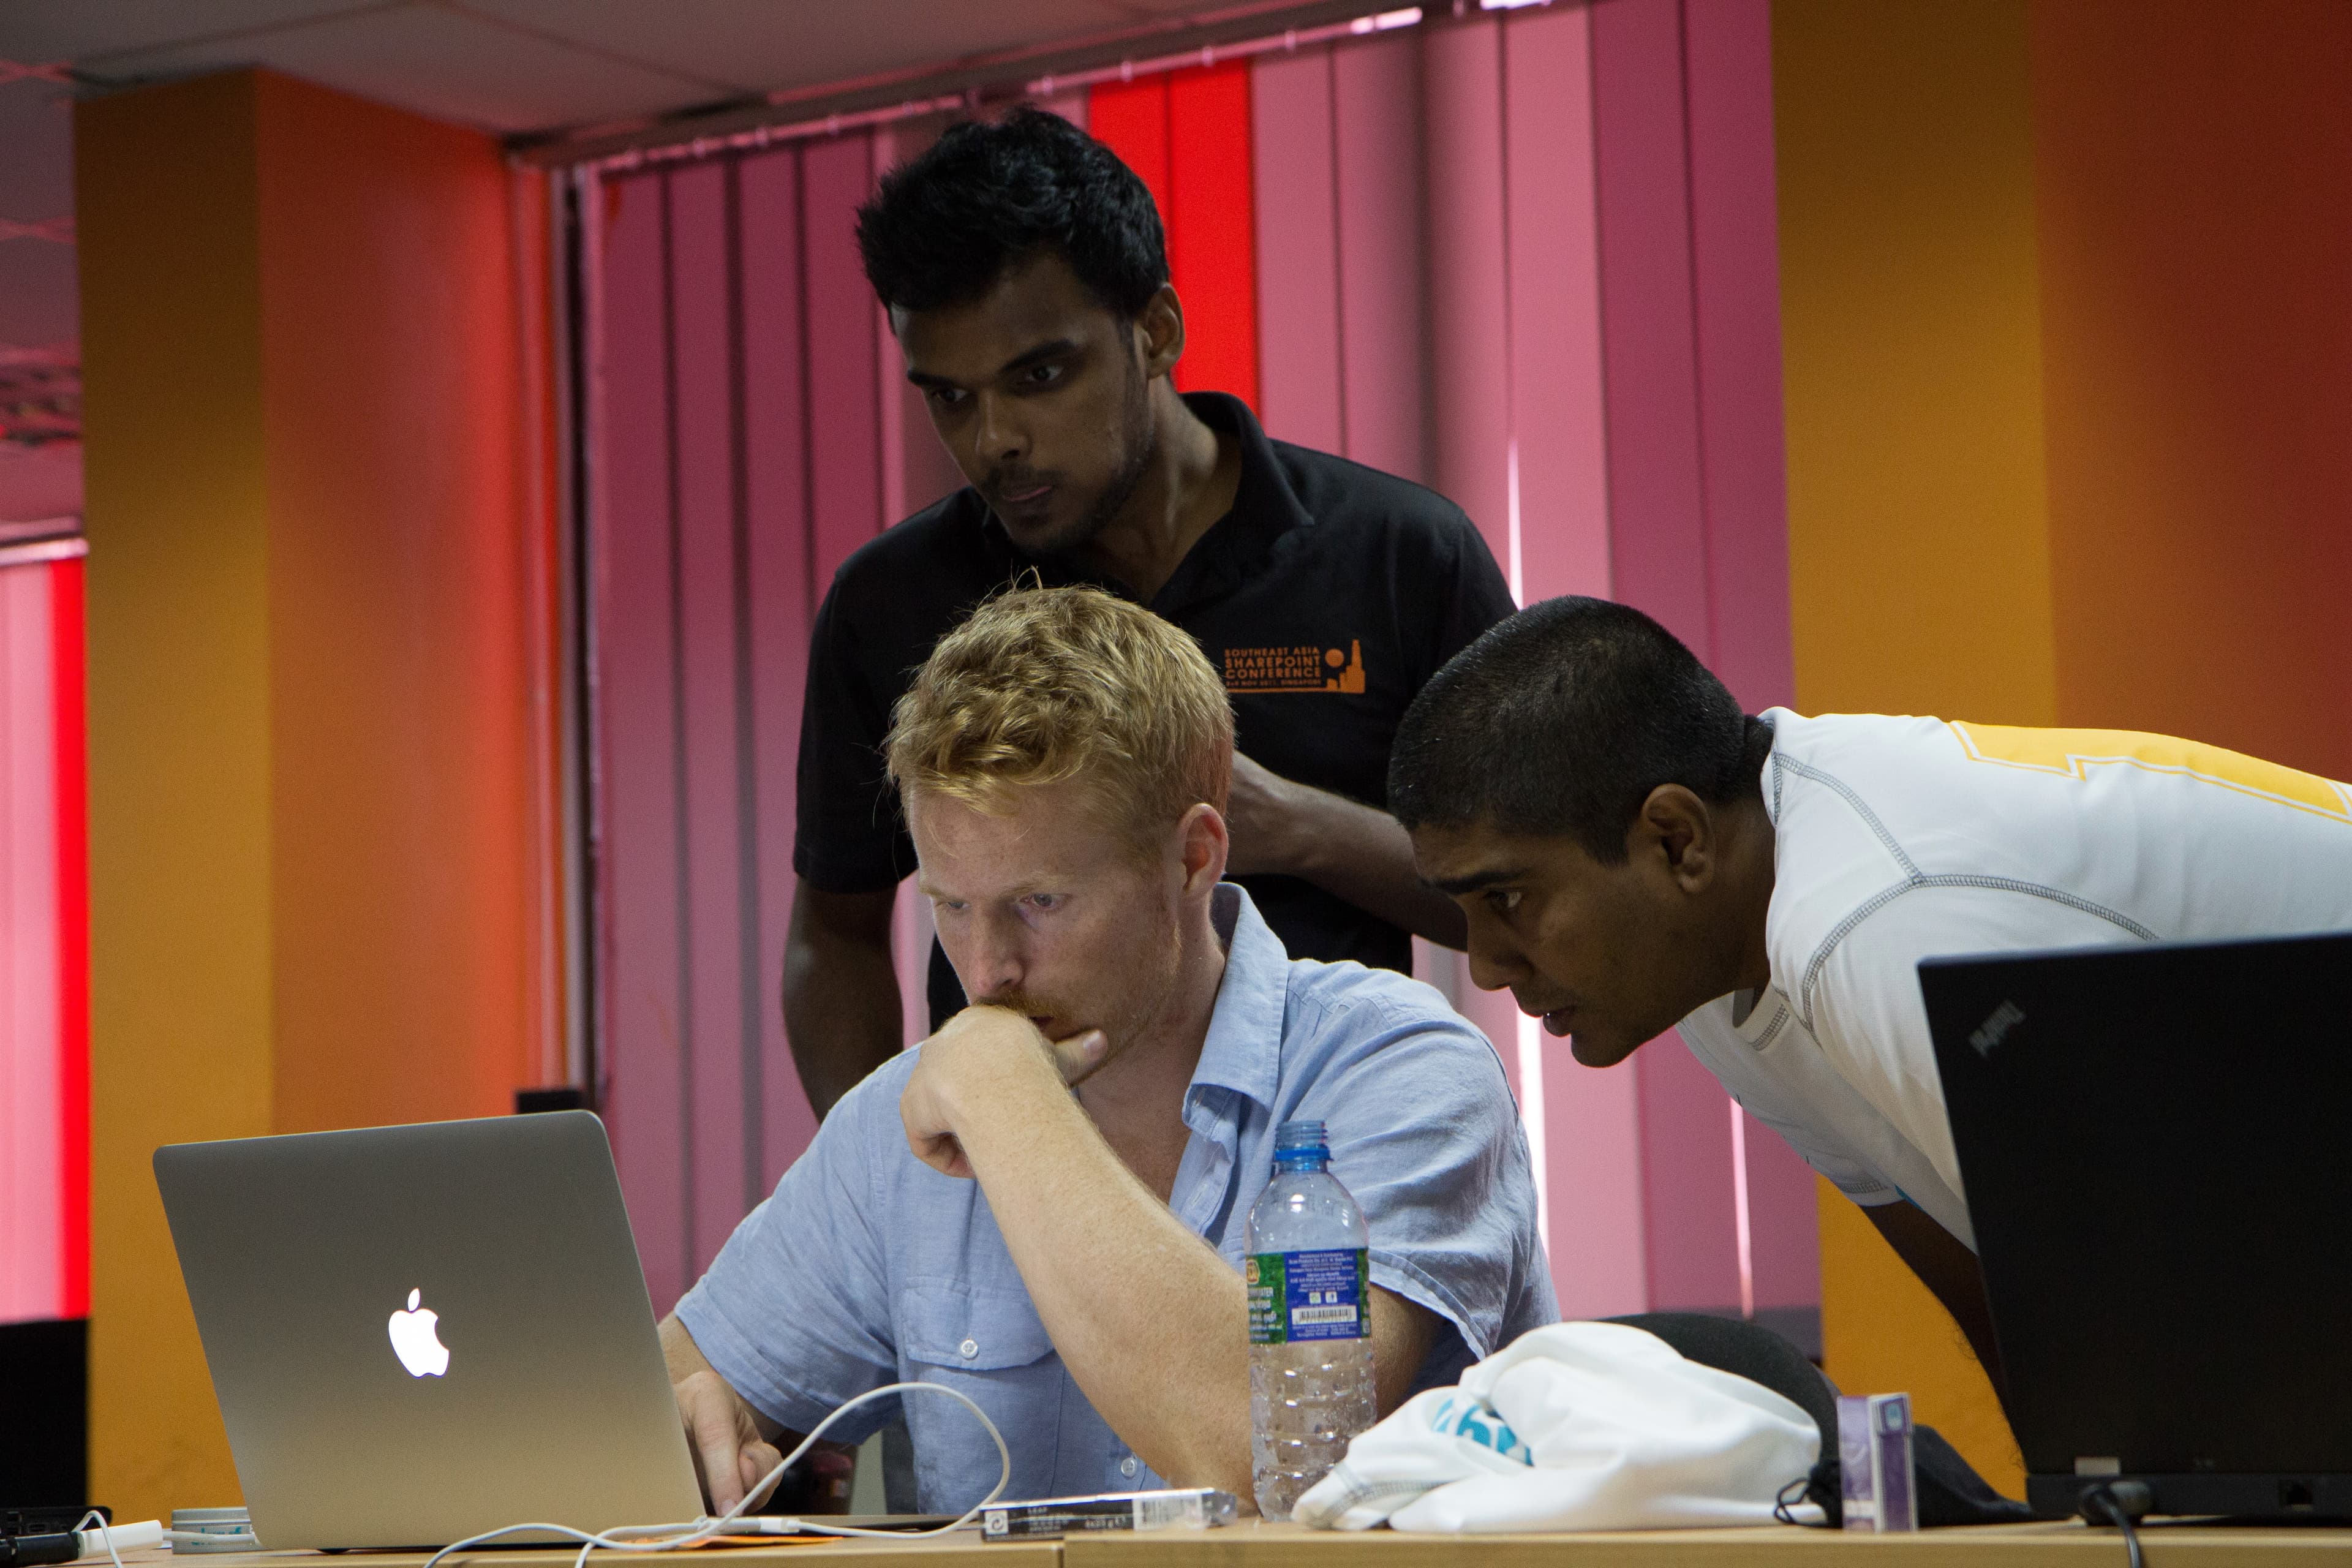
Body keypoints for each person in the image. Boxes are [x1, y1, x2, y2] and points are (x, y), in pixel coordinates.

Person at [669, 585, 1555, 1514]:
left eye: (1040, 903)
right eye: (951, 906)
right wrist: (691, 1425)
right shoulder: (907, 1121)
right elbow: (641, 1405)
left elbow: (1267, 1459)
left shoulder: (1404, 1071)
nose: (986, 970)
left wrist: (1009, 1100)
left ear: (1193, 858)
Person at [1388, 595, 2352, 1390]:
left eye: (1507, 898)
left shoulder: (1875, 925)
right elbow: (2004, 1296)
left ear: (1675, 840)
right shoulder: (1728, 955)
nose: (1483, 964)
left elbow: (2193, 1337)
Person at [786, 107, 1515, 1118]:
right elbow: (835, 934)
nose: (995, 438)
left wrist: (1302, 831)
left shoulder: (1399, 555)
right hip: (1036, 1185)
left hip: (1324, 1161)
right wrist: (876, 1177)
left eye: (1040, 376)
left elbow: (1527, 898)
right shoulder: (895, 602)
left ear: (1157, 331)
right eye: (950, 398)